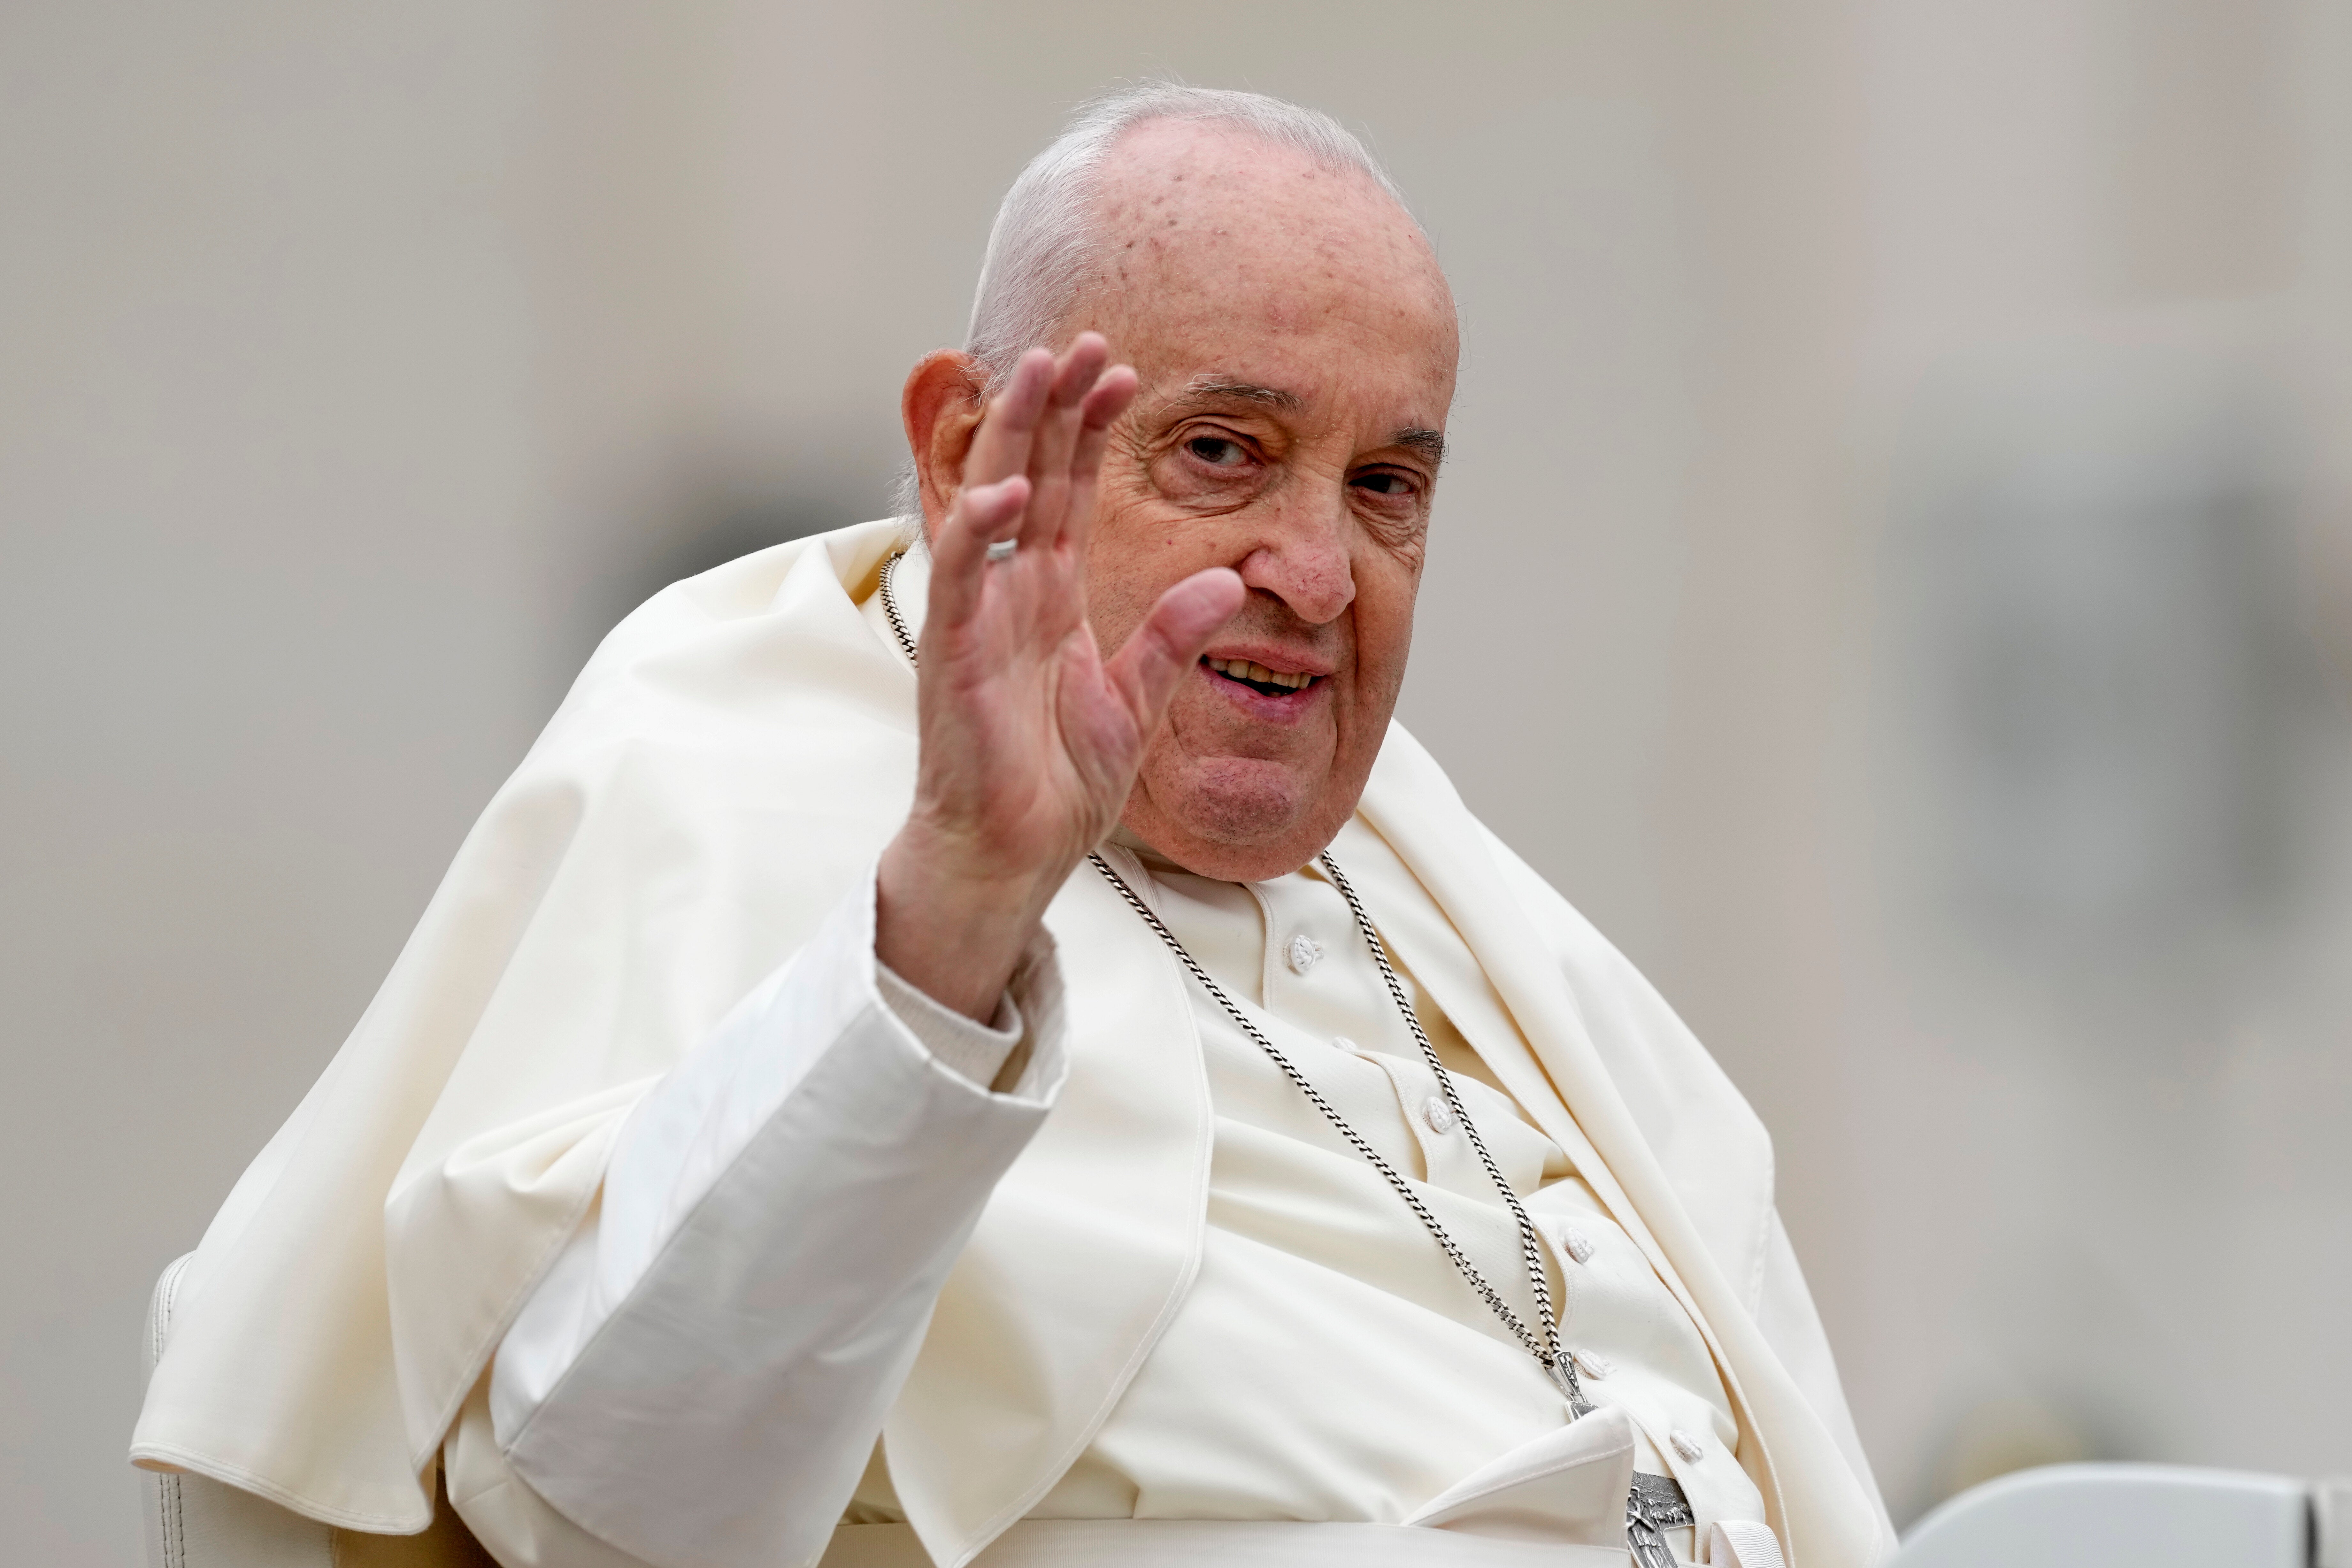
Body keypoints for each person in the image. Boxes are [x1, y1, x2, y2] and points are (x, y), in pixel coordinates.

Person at [131, 85, 1896, 1568]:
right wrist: (952, 916)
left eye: (1384, 488)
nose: (1313, 571)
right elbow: (611, 1503)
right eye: (1221, 451)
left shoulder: (1451, 890)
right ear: (967, 445)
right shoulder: (737, 757)